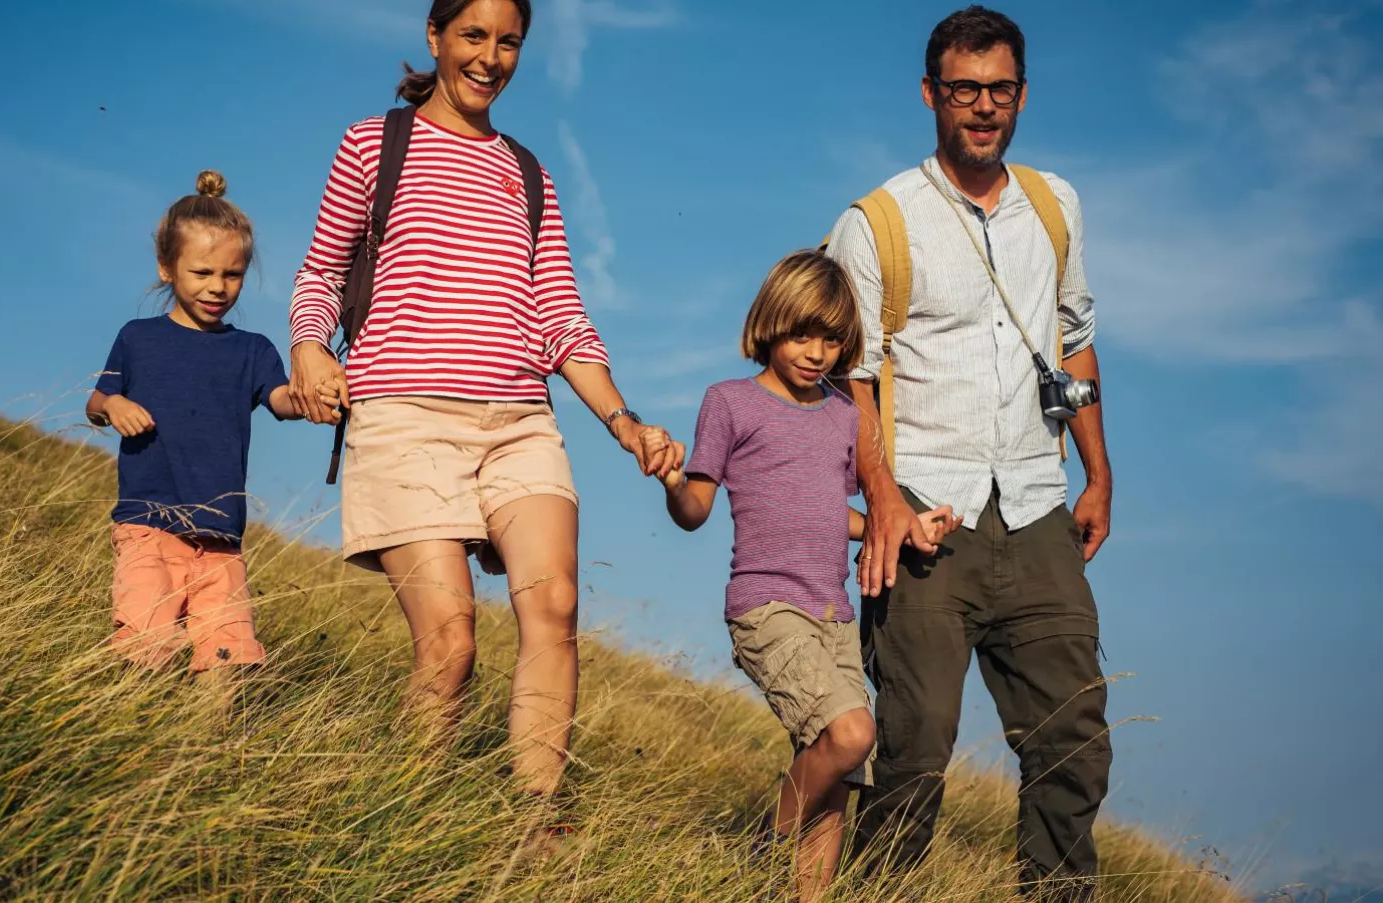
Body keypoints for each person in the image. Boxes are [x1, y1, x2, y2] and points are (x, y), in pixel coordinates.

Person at [285, 0, 683, 804]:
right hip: (403, 414)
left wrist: (625, 423)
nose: (490, 57)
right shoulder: (375, 144)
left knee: (556, 608)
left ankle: (536, 829)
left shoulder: (530, 173)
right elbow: (320, 275)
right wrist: (310, 349)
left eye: (509, 41)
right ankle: (405, 823)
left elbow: (562, 318)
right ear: (434, 37)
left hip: (519, 425)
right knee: (450, 642)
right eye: (473, 36)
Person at [824, 7, 1115, 899]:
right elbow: (853, 381)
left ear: (1022, 94)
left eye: (1000, 90)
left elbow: (1075, 339)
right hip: (927, 518)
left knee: (1075, 738)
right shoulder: (875, 223)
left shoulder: (1055, 205)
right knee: (913, 750)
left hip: (1037, 506)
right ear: (930, 95)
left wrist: (1100, 473)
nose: (983, 108)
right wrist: (884, 505)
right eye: (964, 90)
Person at [658, 250, 960, 903]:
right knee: (852, 732)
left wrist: (909, 528)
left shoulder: (844, 414)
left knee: (839, 771)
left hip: (835, 617)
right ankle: (763, 848)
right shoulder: (729, 403)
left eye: (831, 339)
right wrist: (673, 478)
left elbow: (833, 514)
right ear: (770, 324)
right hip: (767, 607)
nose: (816, 352)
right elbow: (694, 511)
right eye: (801, 334)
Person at [87, 170, 298, 688]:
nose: (217, 287)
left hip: (221, 537)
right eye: (202, 272)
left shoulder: (253, 351)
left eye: (233, 275)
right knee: (145, 644)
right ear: (166, 268)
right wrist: (113, 405)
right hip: (147, 525)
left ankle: (209, 757)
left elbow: (283, 401)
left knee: (226, 658)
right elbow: (95, 400)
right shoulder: (138, 338)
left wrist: (320, 393)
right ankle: (128, 743)